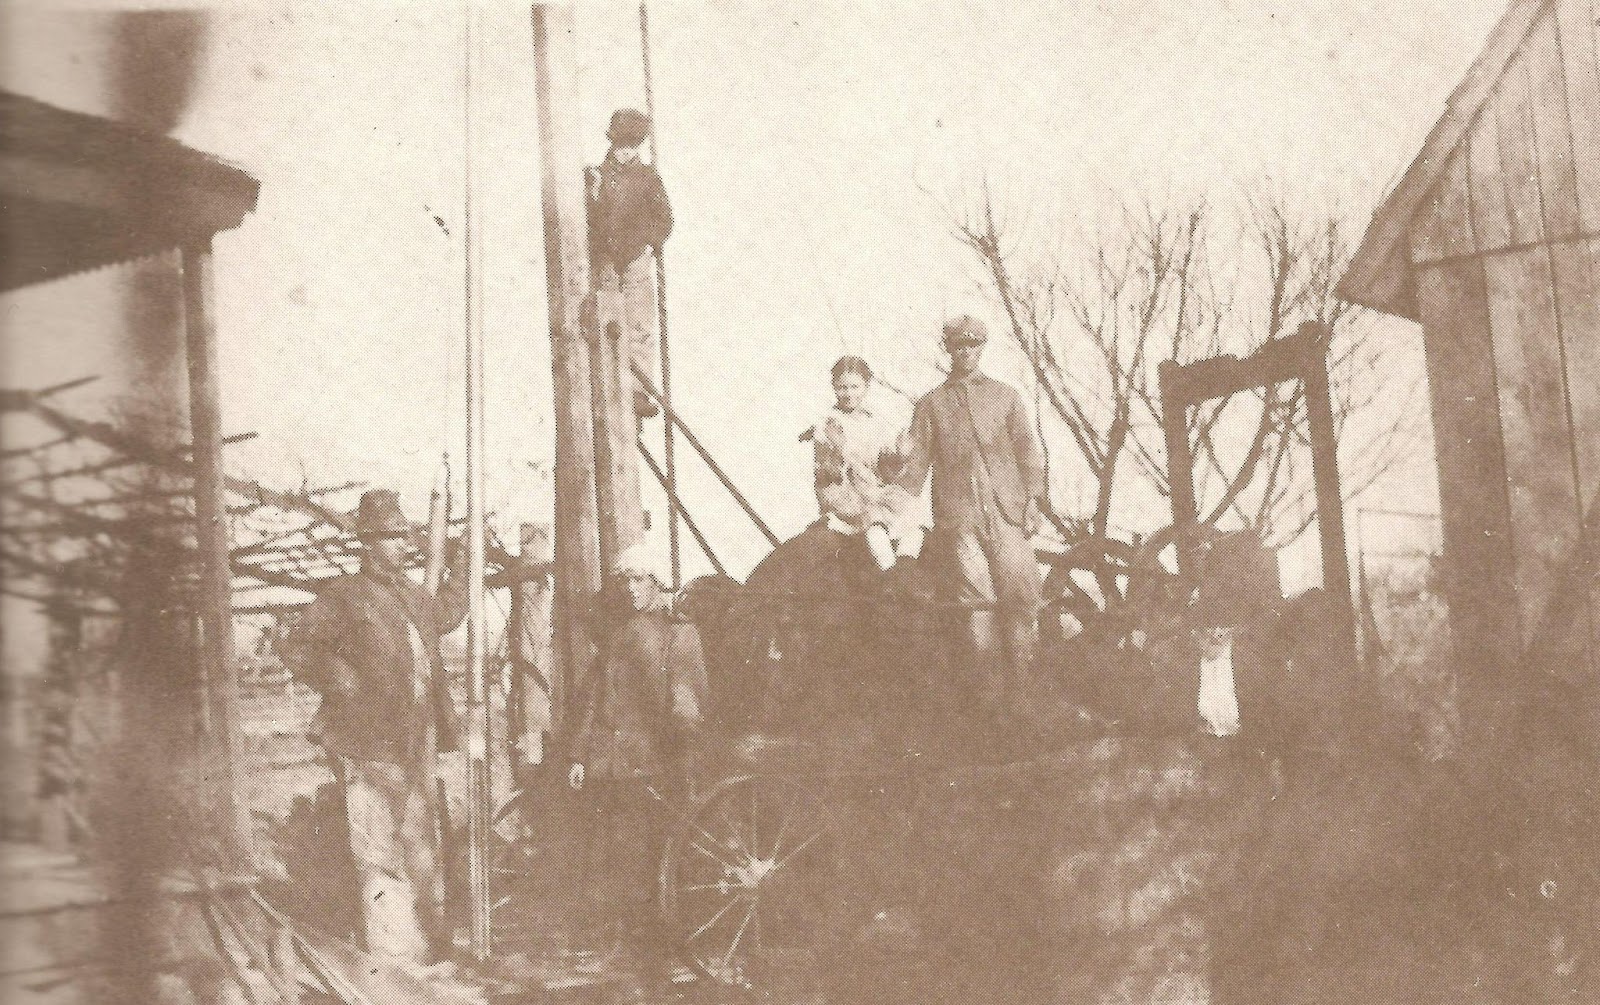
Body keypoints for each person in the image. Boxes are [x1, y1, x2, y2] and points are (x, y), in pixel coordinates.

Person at [283, 489, 468, 973]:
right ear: (368, 543)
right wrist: (340, 679)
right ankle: (393, 959)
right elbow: (297, 645)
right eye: (392, 537)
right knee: (379, 850)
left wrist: (461, 563)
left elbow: (448, 613)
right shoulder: (344, 597)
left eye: (405, 535)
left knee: (419, 844)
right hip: (367, 742)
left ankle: (427, 947)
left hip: (416, 740)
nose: (404, 544)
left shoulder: (412, 596)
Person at [566, 544, 706, 981]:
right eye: (625, 580)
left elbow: (686, 705)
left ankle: (655, 952)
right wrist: (579, 756)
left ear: (657, 583)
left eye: (639, 579)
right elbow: (596, 701)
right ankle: (623, 947)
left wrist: (680, 757)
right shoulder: (620, 634)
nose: (630, 588)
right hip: (613, 765)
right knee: (618, 857)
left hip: (653, 766)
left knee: (654, 859)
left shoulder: (677, 633)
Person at [897, 315, 1048, 716]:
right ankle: (993, 705)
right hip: (959, 520)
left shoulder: (1006, 397)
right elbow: (913, 469)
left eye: (972, 345)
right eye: (957, 346)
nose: (965, 352)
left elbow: (1028, 452)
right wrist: (885, 492)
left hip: (1008, 514)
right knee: (978, 605)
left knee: (1021, 596)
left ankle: (1028, 695)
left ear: (982, 348)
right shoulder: (931, 405)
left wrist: (1033, 499)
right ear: (948, 350)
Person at [586, 108, 673, 420]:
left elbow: (665, 220)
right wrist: (593, 195)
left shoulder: (648, 178)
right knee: (605, 322)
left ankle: (637, 389)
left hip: (635, 260)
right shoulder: (597, 176)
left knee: (639, 326)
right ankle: (604, 385)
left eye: (631, 146)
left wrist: (648, 243)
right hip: (607, 260)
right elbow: (588, 219)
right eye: (621, 145)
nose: (625, 152)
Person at [811, 355, 918, 571]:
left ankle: (906, 571)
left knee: (914, 521)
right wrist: (838, 451)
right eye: (842, 387)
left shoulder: (873, 421)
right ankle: (890, 575)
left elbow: (883, 466)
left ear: (866, 387)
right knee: (875, 527)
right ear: (834, 387)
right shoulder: (828, 424)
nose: (849, 394)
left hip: (874, 491)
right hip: (845, 495)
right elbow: (826, 473)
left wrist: (899, 456)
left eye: (855, 387)